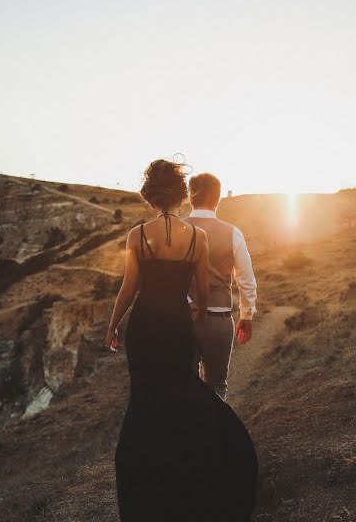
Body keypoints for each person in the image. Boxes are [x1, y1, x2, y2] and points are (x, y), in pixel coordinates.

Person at [105, 159, 257, 522]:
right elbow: (202, 289)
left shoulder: (138, 236)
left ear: (149, 194)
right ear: (178, 195)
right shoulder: (198, 238)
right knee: (186, 391)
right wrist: (200, 315)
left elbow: (129, 289)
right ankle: (198, 462)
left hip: (144, 329)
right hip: (177, 326)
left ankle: (148, 470)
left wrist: (112, 326)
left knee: (144, 398)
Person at [186, 172, 258, 400]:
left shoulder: (177, 230)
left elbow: (165, 276)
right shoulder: (232, 233)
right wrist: (247, 314)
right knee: (217, 386)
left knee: (183, 387)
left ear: (190, 198)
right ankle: (214, 435)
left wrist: (185, 301)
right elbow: (245, 277)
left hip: (183, 321)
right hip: (219, 320)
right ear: (217, 200)